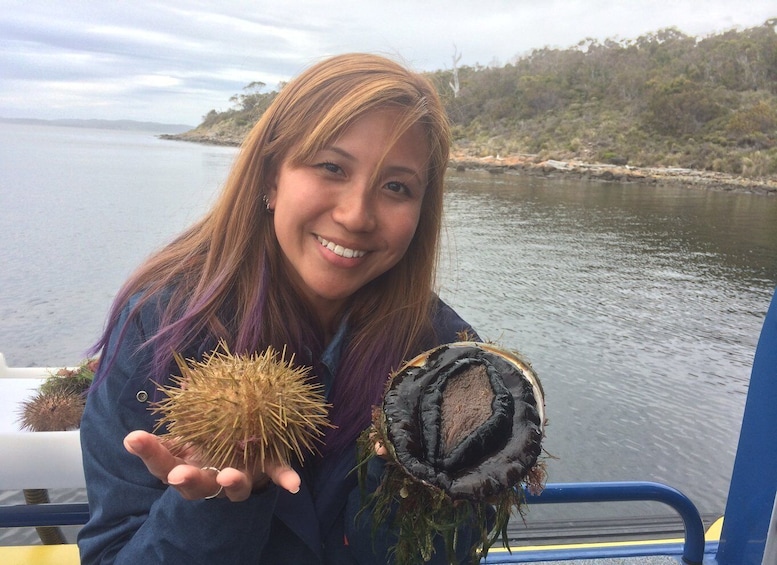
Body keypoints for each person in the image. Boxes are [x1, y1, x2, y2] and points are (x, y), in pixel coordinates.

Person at [77, 53, 481, 565]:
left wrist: (417, 476)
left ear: (422, 212)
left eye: (396, 187)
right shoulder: (161, 328)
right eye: (331, 167)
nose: (356, 216)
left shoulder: (446, 355)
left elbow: (451, 550)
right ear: (271, 176)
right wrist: (219, 506)